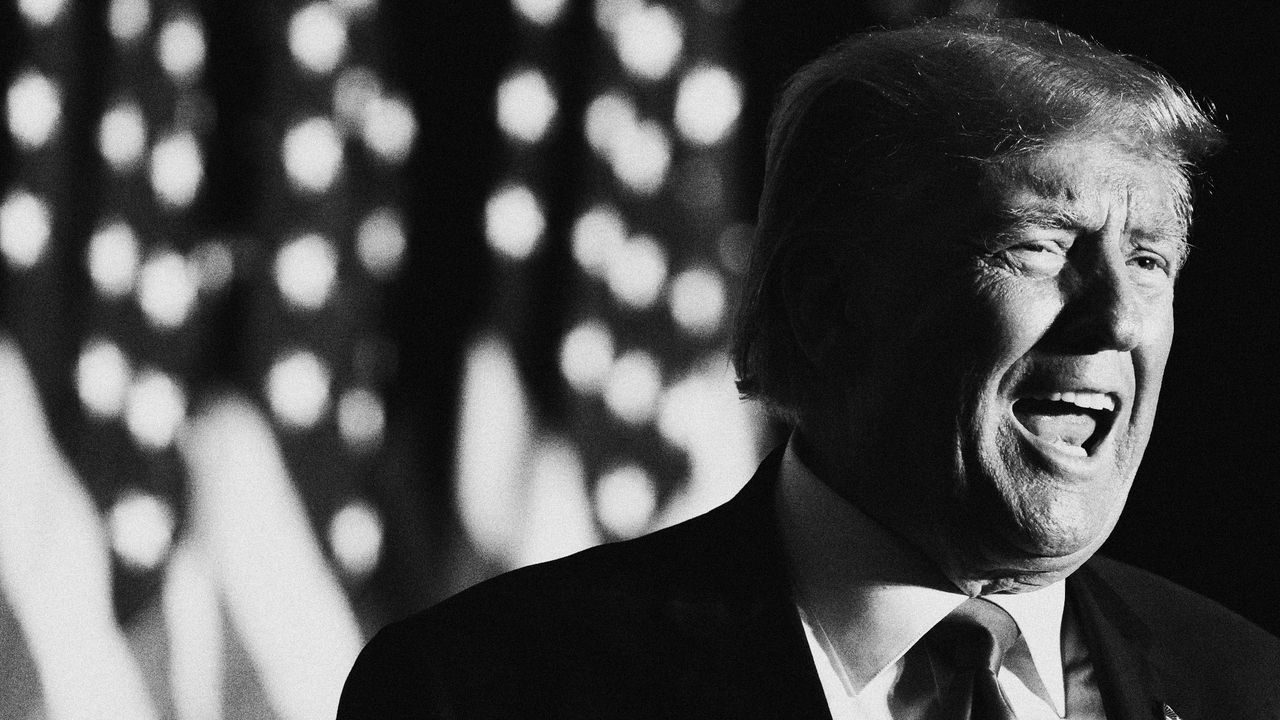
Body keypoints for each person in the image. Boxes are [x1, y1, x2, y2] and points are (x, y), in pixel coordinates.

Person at [337, 15, 1280, 719]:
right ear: (824, 306)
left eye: (1150, 261)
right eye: (1038, 247)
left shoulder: (1242, 685)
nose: (1117, 318)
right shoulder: (484, 689)